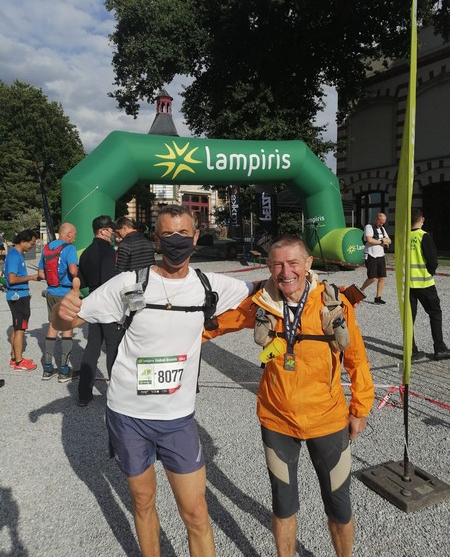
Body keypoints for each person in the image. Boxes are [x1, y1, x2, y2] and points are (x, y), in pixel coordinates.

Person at [52, 205, 254, 556]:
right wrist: (61, 309)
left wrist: (309, 280)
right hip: (128, 414)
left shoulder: (210, 285)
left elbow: (268, 286)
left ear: (195, 237)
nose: (176, 242)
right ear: (156, 239)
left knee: (196, 512)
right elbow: (71, 320)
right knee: (143, 503)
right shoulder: (129, 283)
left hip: (177, 420)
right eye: (167, 235)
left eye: (183, 235)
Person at [205, 236, 375, 557]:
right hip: (277, 421)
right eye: (278, 264)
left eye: (293, 263)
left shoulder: (334, 304)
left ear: (308, 263)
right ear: (269, 266)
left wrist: (361, 407)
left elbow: (357, 359)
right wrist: (168, 339)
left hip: (328, 419)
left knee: (339, 505)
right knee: (283, 505)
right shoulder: (262, 304)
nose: (286, 272)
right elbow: (215, 326)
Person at [77, 215, 121, 407]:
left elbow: (82, 281)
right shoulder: (109, 251)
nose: (113, 233)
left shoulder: (86, 253)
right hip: (108, 301)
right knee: (113, 347)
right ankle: (117, 394)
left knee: (92, 346)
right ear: (103, 231)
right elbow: (110, 280)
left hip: (93, 298)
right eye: (111, 230)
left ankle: (83, 394)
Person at [38, 223, 78, 382]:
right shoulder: (69, 249)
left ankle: (47, 369)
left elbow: (41, 274)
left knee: (53, 326)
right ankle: (64, 370)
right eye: (74, 234)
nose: (75, 237)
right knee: (67, 327)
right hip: (66, 293)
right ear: (68, 234)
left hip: (51, 292)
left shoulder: (47, 248)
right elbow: (73, 270)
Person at [410, 208, 450, 361]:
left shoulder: (403, 237)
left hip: (407, 284)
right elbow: (432, 261)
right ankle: (439, 349)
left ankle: (411, 351)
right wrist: (430, 272)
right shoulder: (423, 236)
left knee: (409, 318)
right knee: (435, 314)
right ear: (422, 219)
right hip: (424, 283)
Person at [4, 229, 41, 371]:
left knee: (17, 326)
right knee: (20, 329)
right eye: (31, 243)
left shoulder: (17, 254)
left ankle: (15, 357)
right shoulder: (14, 255)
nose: (32, 246)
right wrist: (32, 277)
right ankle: (19, 363)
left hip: (19, 295)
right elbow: (12, 279)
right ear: (23, 241)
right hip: (18, 296)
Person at [360, 212, 391, 304]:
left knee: (382, 277)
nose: (382, 224)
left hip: (380, 255)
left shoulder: (382, 228)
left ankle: (378, 297)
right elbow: (369, 239)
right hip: (371, 255)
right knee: (372, 278)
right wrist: (382, 241)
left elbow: (389, 240)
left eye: (383, 222)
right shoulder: (368, 227)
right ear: (376, 219)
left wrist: (386, 241)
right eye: (381, 222)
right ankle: (360, 290)